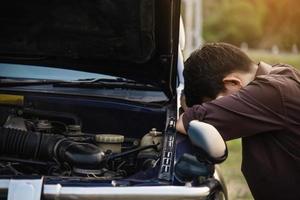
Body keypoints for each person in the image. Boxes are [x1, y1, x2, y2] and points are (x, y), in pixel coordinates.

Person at [176, 43, 300, 200]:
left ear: (233, 82)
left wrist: (189, 111)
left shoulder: (274, 91)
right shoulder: (281, 75)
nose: (219, 110)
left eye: (215, 104)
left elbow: (188, 122)